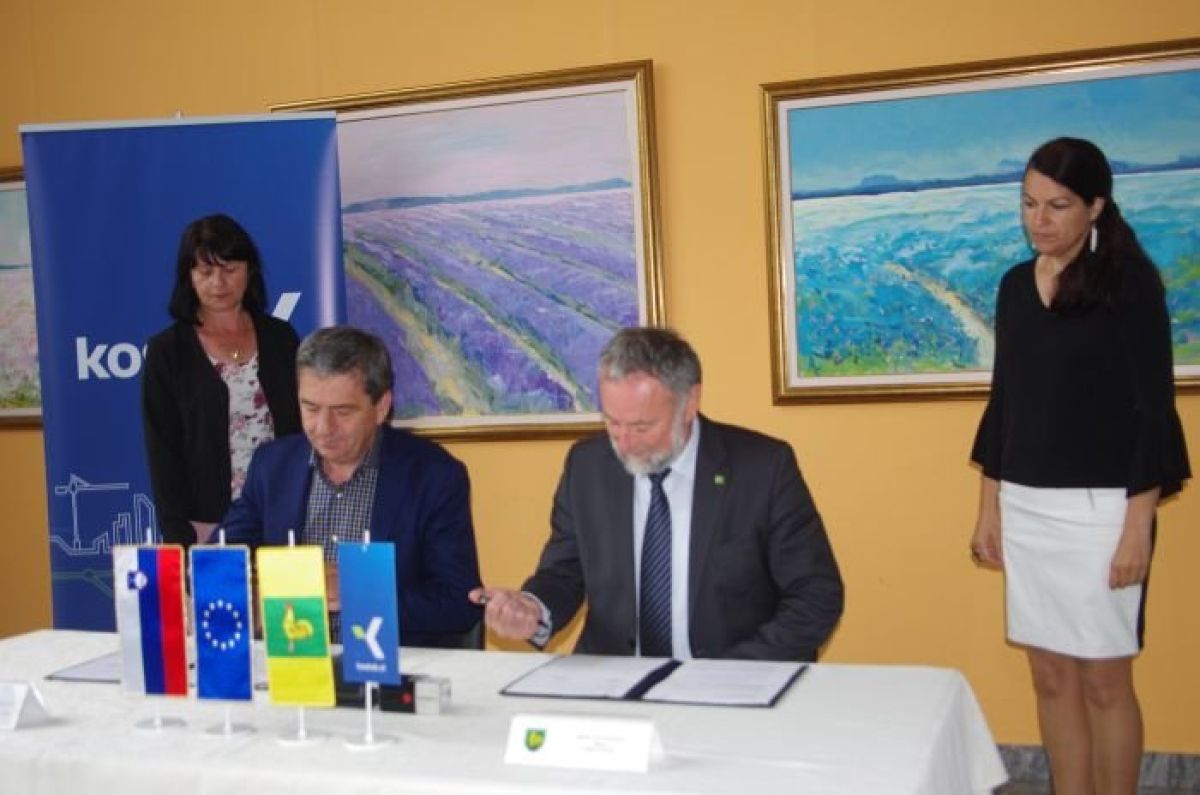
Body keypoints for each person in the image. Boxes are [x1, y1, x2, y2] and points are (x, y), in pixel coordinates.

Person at [970, 138, 1190, 794]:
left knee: (1104, 680)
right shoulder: (1014, 286)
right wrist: (989, 509)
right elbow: (1005, 402)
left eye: (1057, 205)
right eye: (1028, 203)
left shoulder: (1130, 285)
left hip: (1104, 513)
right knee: (1049, 675)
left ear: (1095, 206)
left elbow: (1152, 407)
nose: (1038, 219)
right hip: (1026, 507)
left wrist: (1137, 528)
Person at [472, 327, 843, 661]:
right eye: (612, 422)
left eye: (641, 426)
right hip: (614, 682)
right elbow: (565, 572)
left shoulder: (762, 468)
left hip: (729, 683)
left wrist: (733, 673)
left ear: (689, 403)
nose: (624, 443)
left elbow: (816, 595)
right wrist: (532, 608)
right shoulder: (587, 465)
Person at [222, 325, 483, 647]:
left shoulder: (433, 476)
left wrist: (359, 592)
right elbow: (219, 558)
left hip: (391, 662)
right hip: (292, 658)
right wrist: (255, 595)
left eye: (342, 412)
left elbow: (459, 602)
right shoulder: (273, 466)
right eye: (310, 408)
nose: (323, 427)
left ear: (381, 407)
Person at [143, 214, 302, 548]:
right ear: (188, 277)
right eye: (205, 272)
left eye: (229, 270)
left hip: (282, 516)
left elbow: (303, 430)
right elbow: (163, 453)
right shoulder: (167, 351)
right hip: (207, 525)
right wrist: (179, 534)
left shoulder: (281, 338)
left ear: (249, 271)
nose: (218, 283)